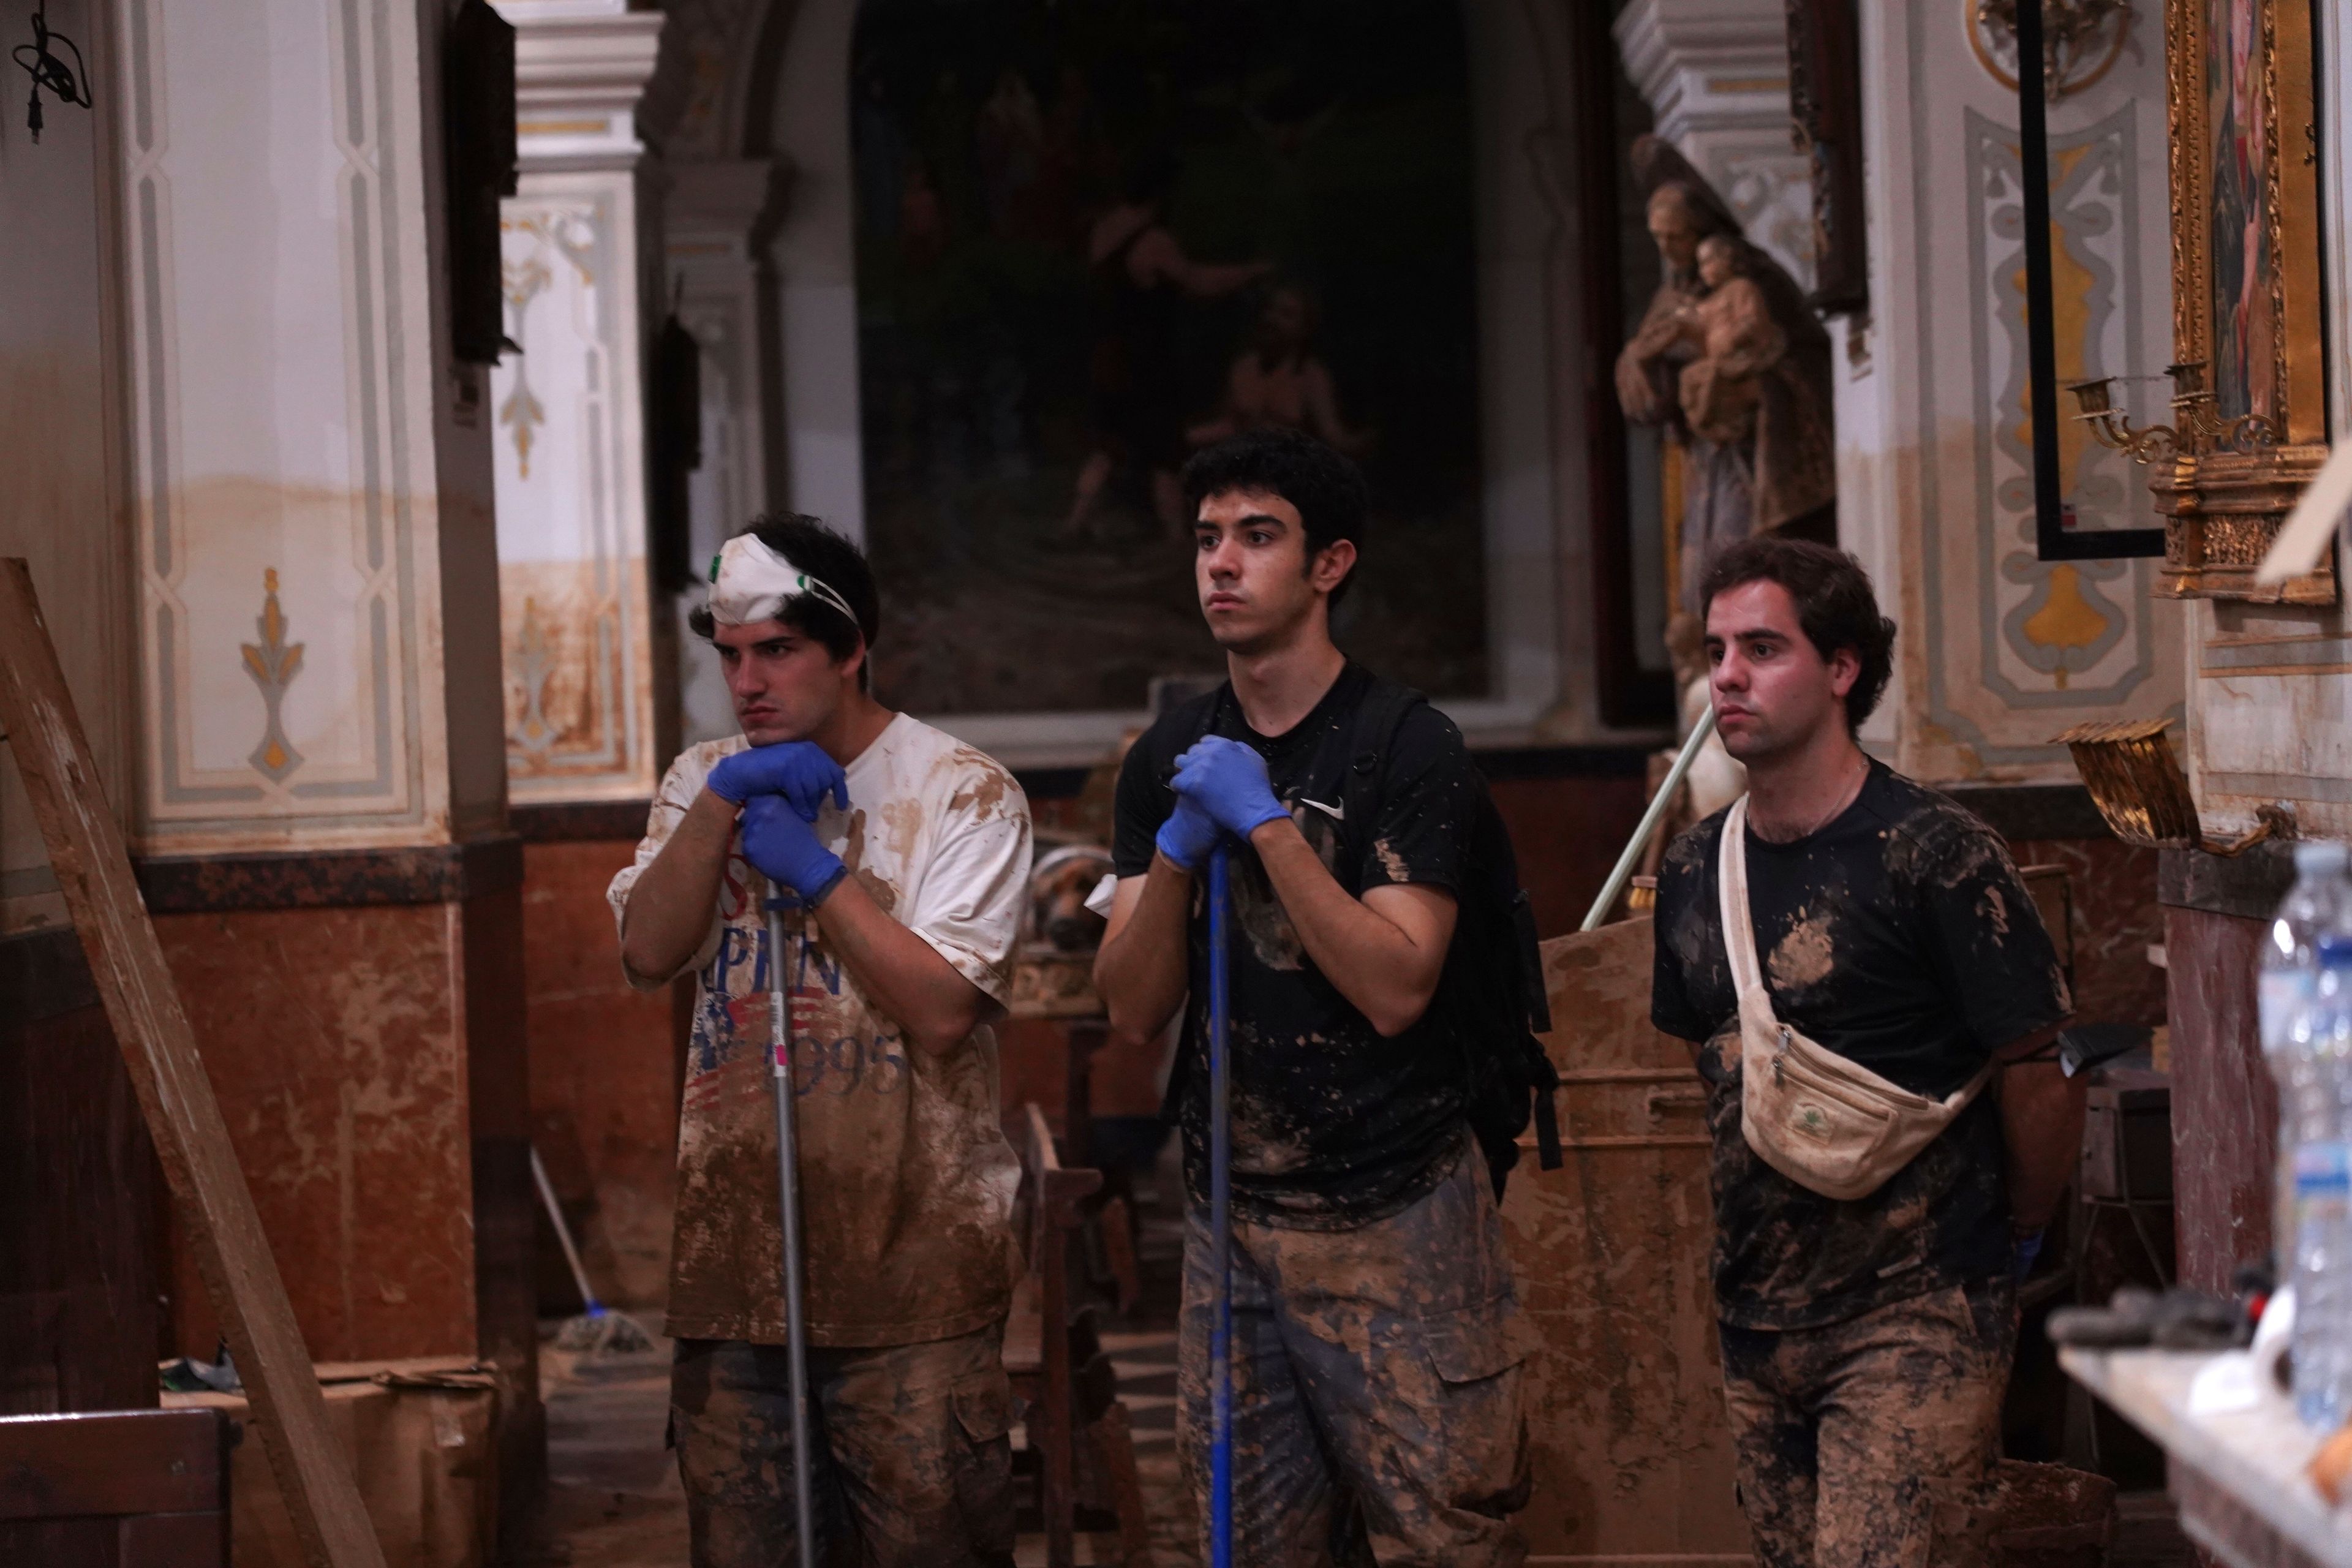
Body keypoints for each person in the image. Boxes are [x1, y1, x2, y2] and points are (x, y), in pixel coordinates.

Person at [1093, 428, 1531, 1566]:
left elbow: (1398, 987)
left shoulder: (1407, 747)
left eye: (1257, 537)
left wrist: (1270, 826)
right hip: (1232, 1218)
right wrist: (1182, 852)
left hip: (1399, 1212)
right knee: (1249, 1548)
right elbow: (1133, 1010)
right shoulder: (1172, 752)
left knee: (1446, 1543)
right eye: (1206, 540)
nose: (1220, 565)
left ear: (1330, 564)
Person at [607, 515, 1032, 1568]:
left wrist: (816, 872)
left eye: (779, 651)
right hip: (736, 1281)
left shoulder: (962, 791)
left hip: (914, 1284)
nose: (746, 682)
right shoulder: (704, 777)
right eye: (730, 655)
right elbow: (647, 952)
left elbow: (941, 1009)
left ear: (850, 650)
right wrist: (718, 810)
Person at [1649, 536, 2083, 1568]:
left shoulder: (1936, 853)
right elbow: (1710, 1074)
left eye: (1763, 648)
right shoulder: (1693, 866)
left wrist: (2011, 1237)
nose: (1729, 677)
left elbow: (2037, 1066)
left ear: (1842, 670)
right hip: (1755, 1314)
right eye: (1717, 652)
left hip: (1916, 1309)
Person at [1066, 148, 1272, 539]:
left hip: (1109, 358)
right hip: (1145, 364)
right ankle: (1175, 540)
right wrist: (1250, 272)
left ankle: (1074, 523)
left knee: (1107, 447)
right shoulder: (1154, 240)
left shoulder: (1103, 229)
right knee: (1165, 453)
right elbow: (1198, 282)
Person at [1186, 282, 1374, 458]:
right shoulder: (1244, 367)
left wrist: (1369, 441)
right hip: (1241, 471)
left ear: (1304, 328)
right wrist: (1178, 438)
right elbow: (1228, 425)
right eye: (1270, 309)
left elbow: (1333, 436)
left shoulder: (1310, 374)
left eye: (1286, 314)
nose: (1272, 319)